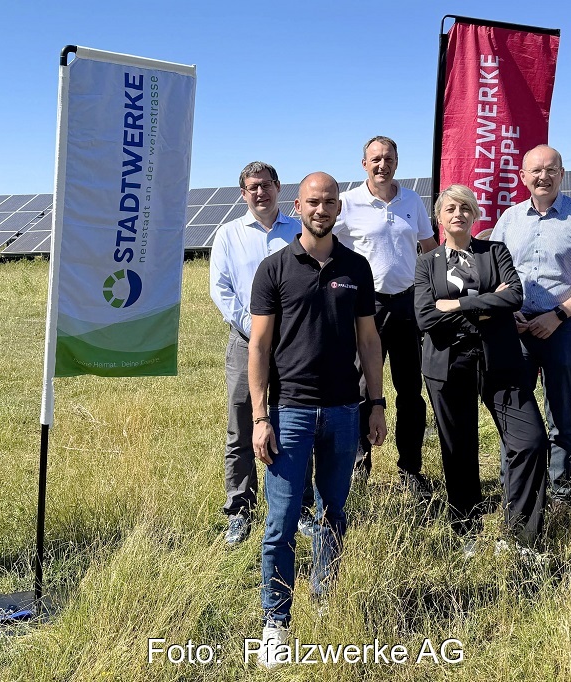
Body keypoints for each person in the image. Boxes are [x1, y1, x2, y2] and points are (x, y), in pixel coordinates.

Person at [248, 172, 387, 669]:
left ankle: (326, 601)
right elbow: (259, 346)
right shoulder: (275, 269)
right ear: (298, 205)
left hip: (345, 410)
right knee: (282, 520)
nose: (321, 208)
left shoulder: (356, 267)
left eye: (329, 201)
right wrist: (260, 416)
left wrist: (376, 402)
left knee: (334, 512)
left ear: (337, 209)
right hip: (290, 412)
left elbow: (369, 342)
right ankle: (276, 622)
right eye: (313, 201)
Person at [414, 184, 549, 550]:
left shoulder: (495, 251)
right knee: (457, 448)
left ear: (474, 215)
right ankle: (466, 529)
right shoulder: (428, 262)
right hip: (447, 362)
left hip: (500, 359)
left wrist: (456, 306)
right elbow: (426, 316)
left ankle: (521, 534)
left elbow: (514, 296)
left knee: (531, 440)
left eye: (465, 208)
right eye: (450, 209)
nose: (458, 214)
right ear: (439, 219)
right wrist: (487, 306)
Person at [491, 145, 571, 511]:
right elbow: (493, 273)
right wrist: (506, 311)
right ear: (523, 177)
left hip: (562, 327)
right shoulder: (509, 220)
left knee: (560, 412)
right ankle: (515, 490)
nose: (542, 176)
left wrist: (559, 315)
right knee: (515, 413)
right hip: (516, 328)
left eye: (550, 169)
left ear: (562, 174)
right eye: (535, 171)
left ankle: (562, 494)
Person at [208, 162, 315, 546]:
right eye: (252, 187)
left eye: (266, 186)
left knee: (296, 425)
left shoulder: (298, 231)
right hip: (246, 344)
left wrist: (287, 332)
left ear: (278, 188)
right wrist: (258, 331)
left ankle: (300, 508)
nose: (260, 193)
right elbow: (221, 290)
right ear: (243, 193)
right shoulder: (228, 235)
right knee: (242, 425)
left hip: (295, 346)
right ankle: (239, 509)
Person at [334, 135, 436, 499]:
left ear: (397, 162)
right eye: (375, 158)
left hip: (408, 307)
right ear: (364, 164)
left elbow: (430, 249)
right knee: (361, 389)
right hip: (365, 309)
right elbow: (326, 246)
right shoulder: (346, 203)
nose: (382, 164)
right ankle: (359, 467)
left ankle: (410, 469)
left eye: (388, 158)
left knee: (410, 391)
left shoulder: (412, 201)